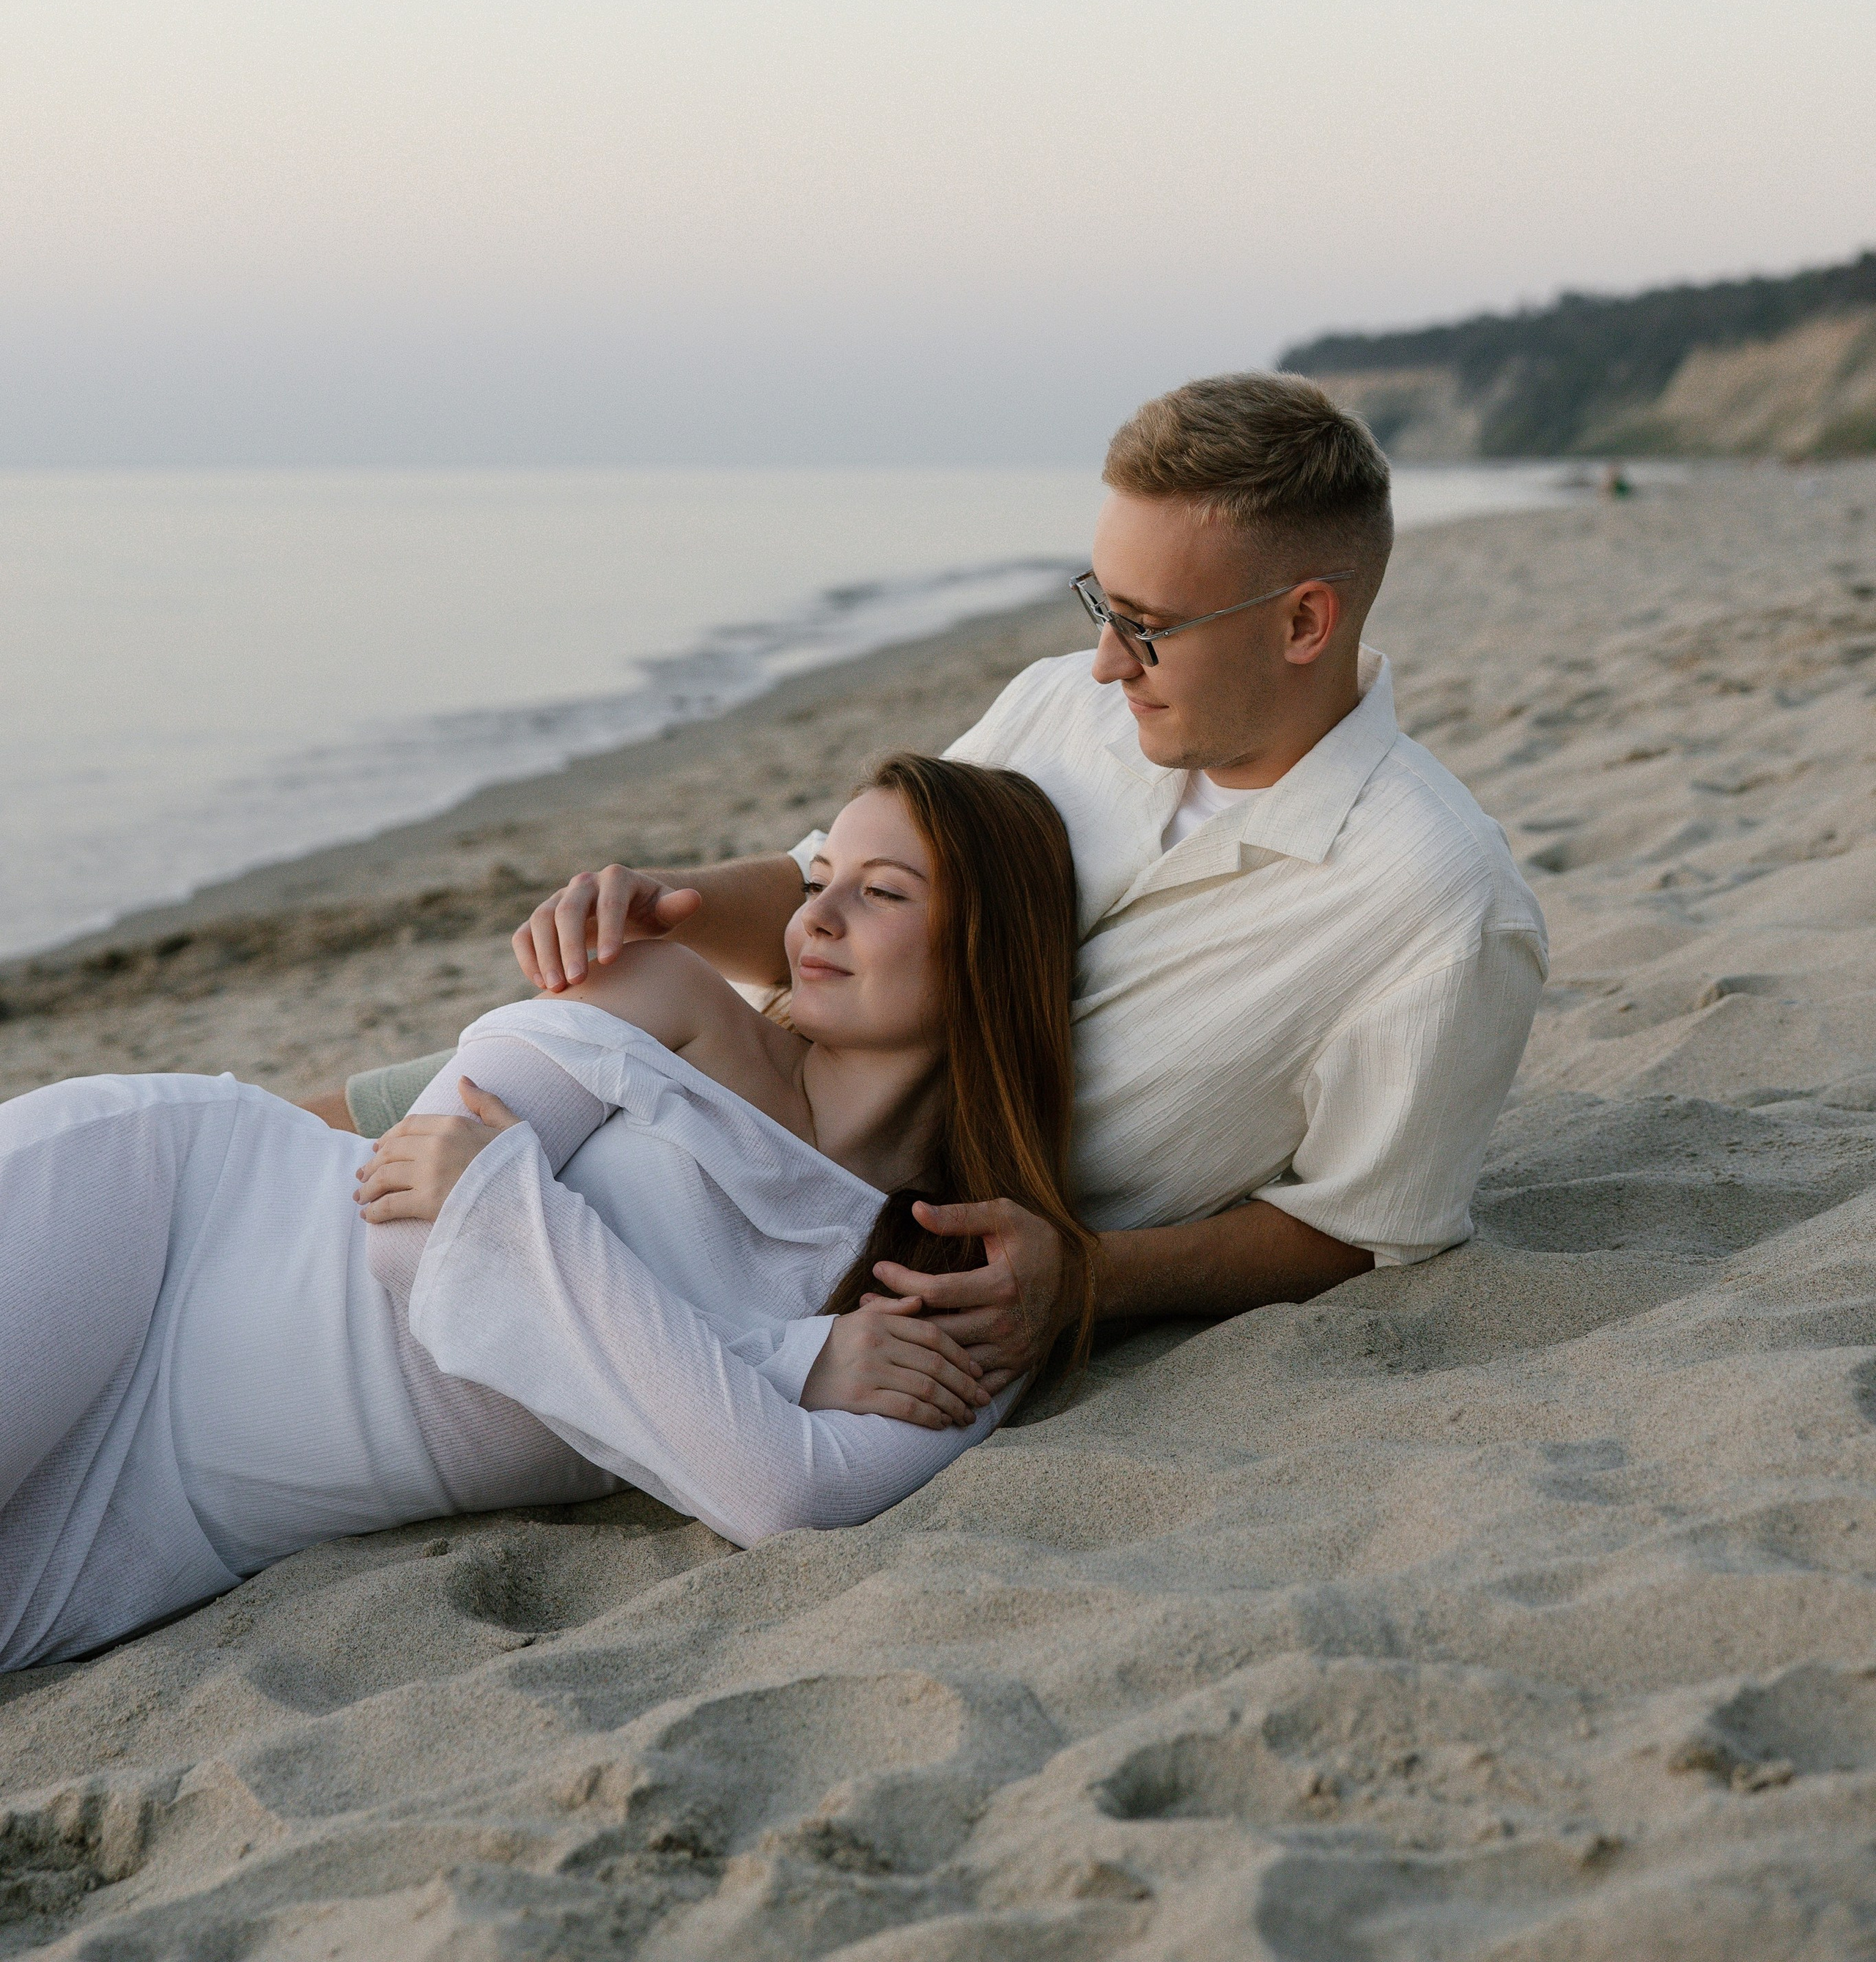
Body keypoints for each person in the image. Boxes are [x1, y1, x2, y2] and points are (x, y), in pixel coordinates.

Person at [330, 374, 1550, 1384]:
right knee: (287, 1135)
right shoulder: (1055, 709)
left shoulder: (1439, 903)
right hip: (695, 1082)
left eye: (1148, 625)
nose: (1105, 662)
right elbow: (831, 895)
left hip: (810, 1263)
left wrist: (1087, 1276)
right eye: (1098, 603)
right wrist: (667, 902)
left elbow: (1366, 1224)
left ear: (1303, 623)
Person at [0, 758, 1090, 1670]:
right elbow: (406, 1218)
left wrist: (501, 1198)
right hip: (162, 1231)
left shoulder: (959, 1274)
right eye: (821, 878)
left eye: (881, 891)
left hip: (190, 1520)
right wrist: (785, 1361)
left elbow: (782, 1490)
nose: (816, 916)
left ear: (988, 951)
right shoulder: (671, 993)